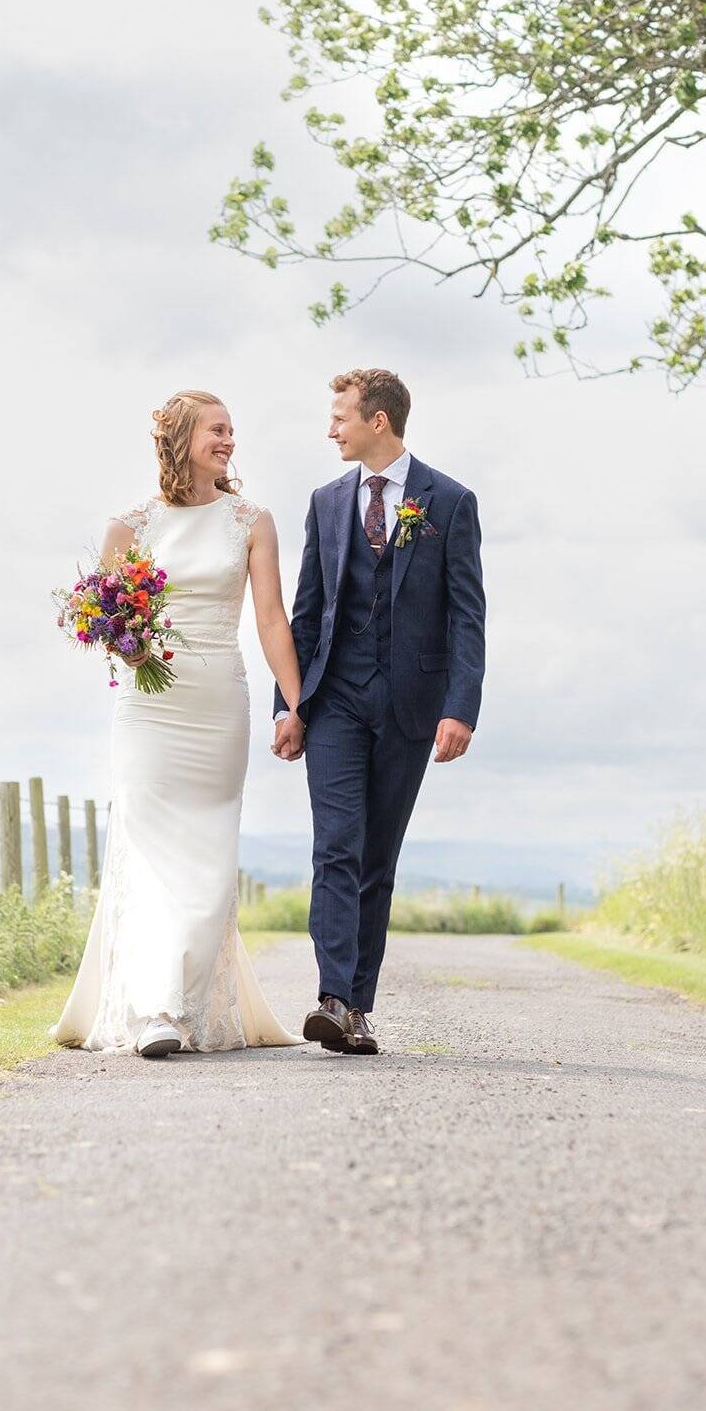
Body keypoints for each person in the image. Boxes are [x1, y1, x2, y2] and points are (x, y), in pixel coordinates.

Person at [54, 390, 300, 1057]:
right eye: (217, 430)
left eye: (232, 432)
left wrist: (294, 701)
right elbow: (99, 621)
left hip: (217, 701)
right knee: (150, 848)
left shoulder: (251, 520)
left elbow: (271, 619)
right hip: (148, 705)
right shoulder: (129, 525)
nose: (228, 441)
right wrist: (123, 640)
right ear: (182, 437)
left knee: (207, 856)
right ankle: (154, 1009)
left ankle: (182, 1003)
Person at [273, 368, 485, 1056]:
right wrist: (288, 704)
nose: (329, 429)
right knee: (334, 845)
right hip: (332, 697)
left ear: (378, 422)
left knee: (376, 857)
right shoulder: (325, 501)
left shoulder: (447, 501)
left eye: (339, 417)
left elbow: (466, 616)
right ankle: (331, 997)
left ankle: (358, 1006)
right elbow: (307, 610)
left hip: (410, 704)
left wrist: (460, 707)